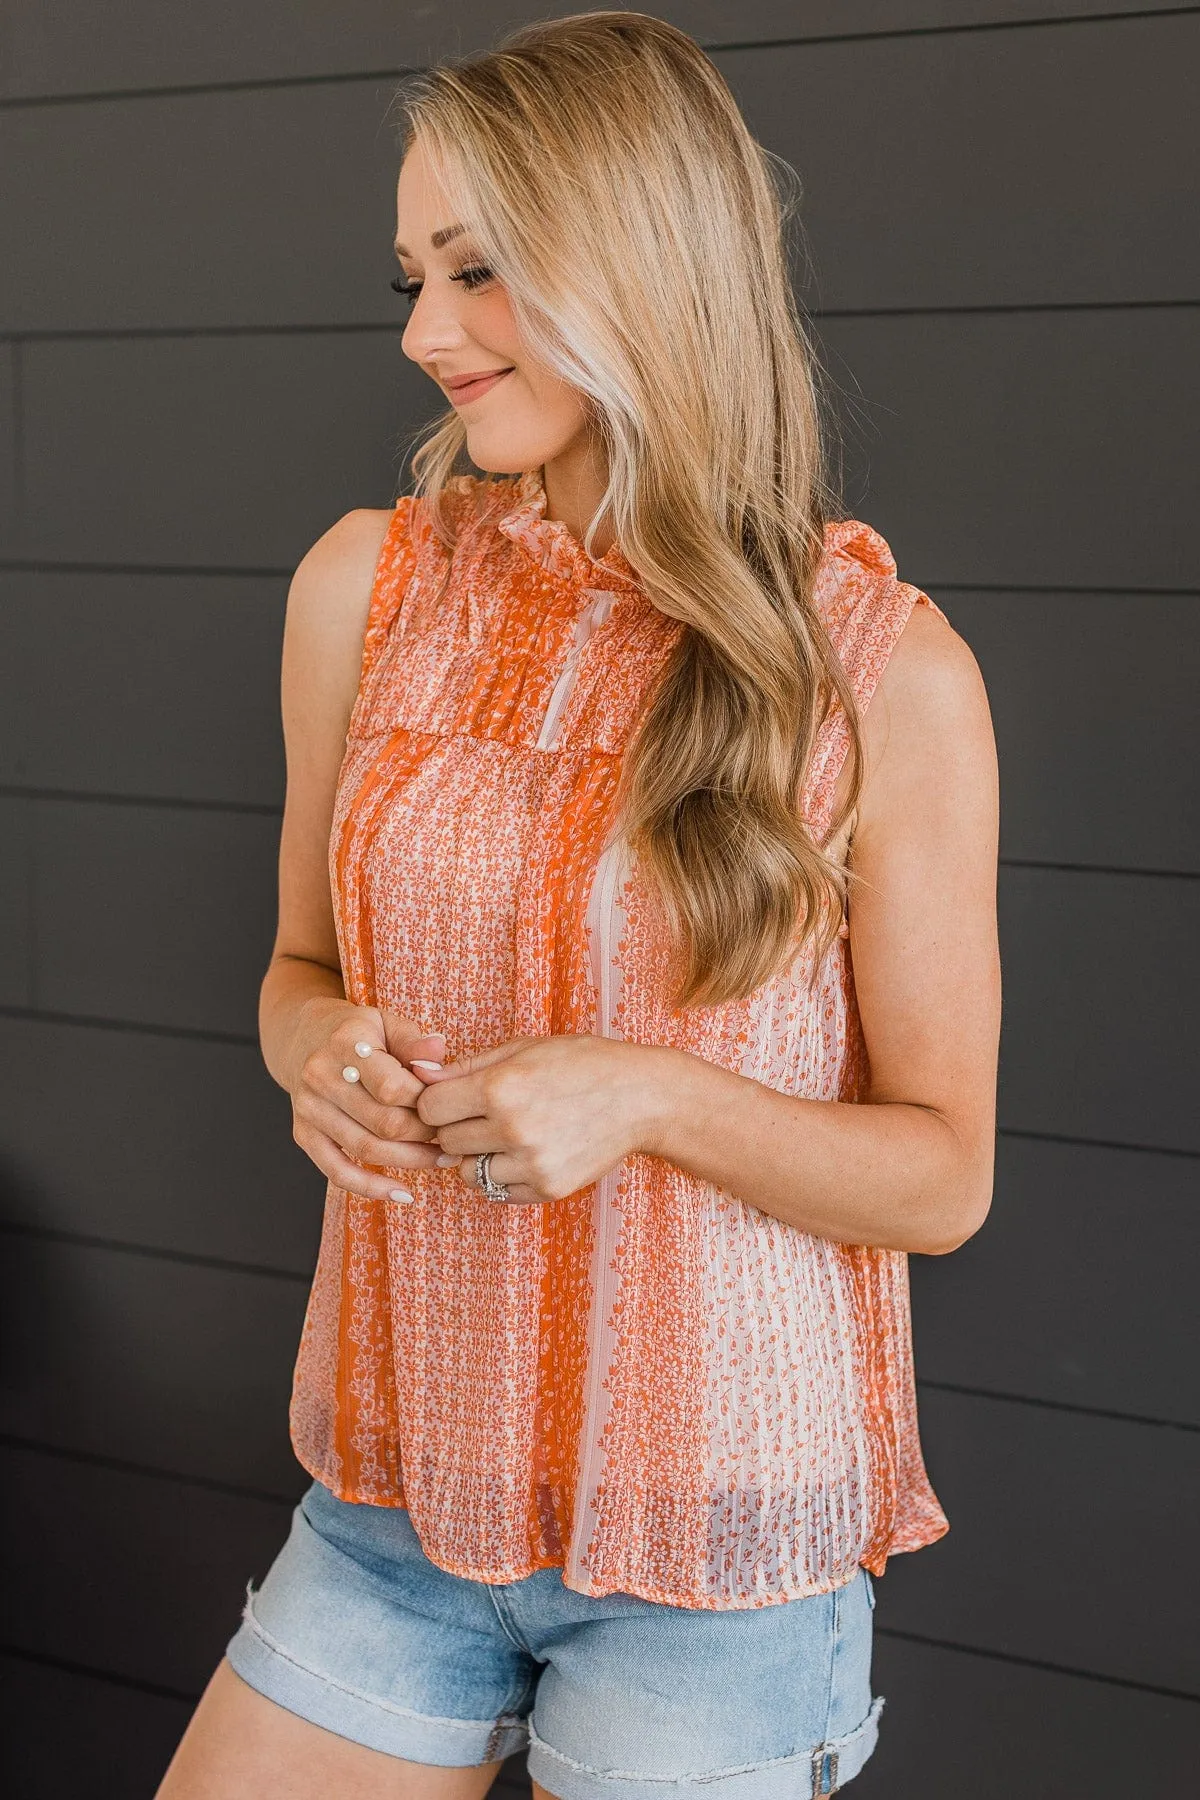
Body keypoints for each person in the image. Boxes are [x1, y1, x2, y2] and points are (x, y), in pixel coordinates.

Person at [157, 12, 1000, 1799]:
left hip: (721, 1560)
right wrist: (313, 1047)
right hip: (398, 1496)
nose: (420, 332)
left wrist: (648, 1095)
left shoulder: (880, 670)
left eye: (479, 270)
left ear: (641, 260)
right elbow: (297, 967)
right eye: (409, 273)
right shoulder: (362, 587)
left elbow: (944, 1176)